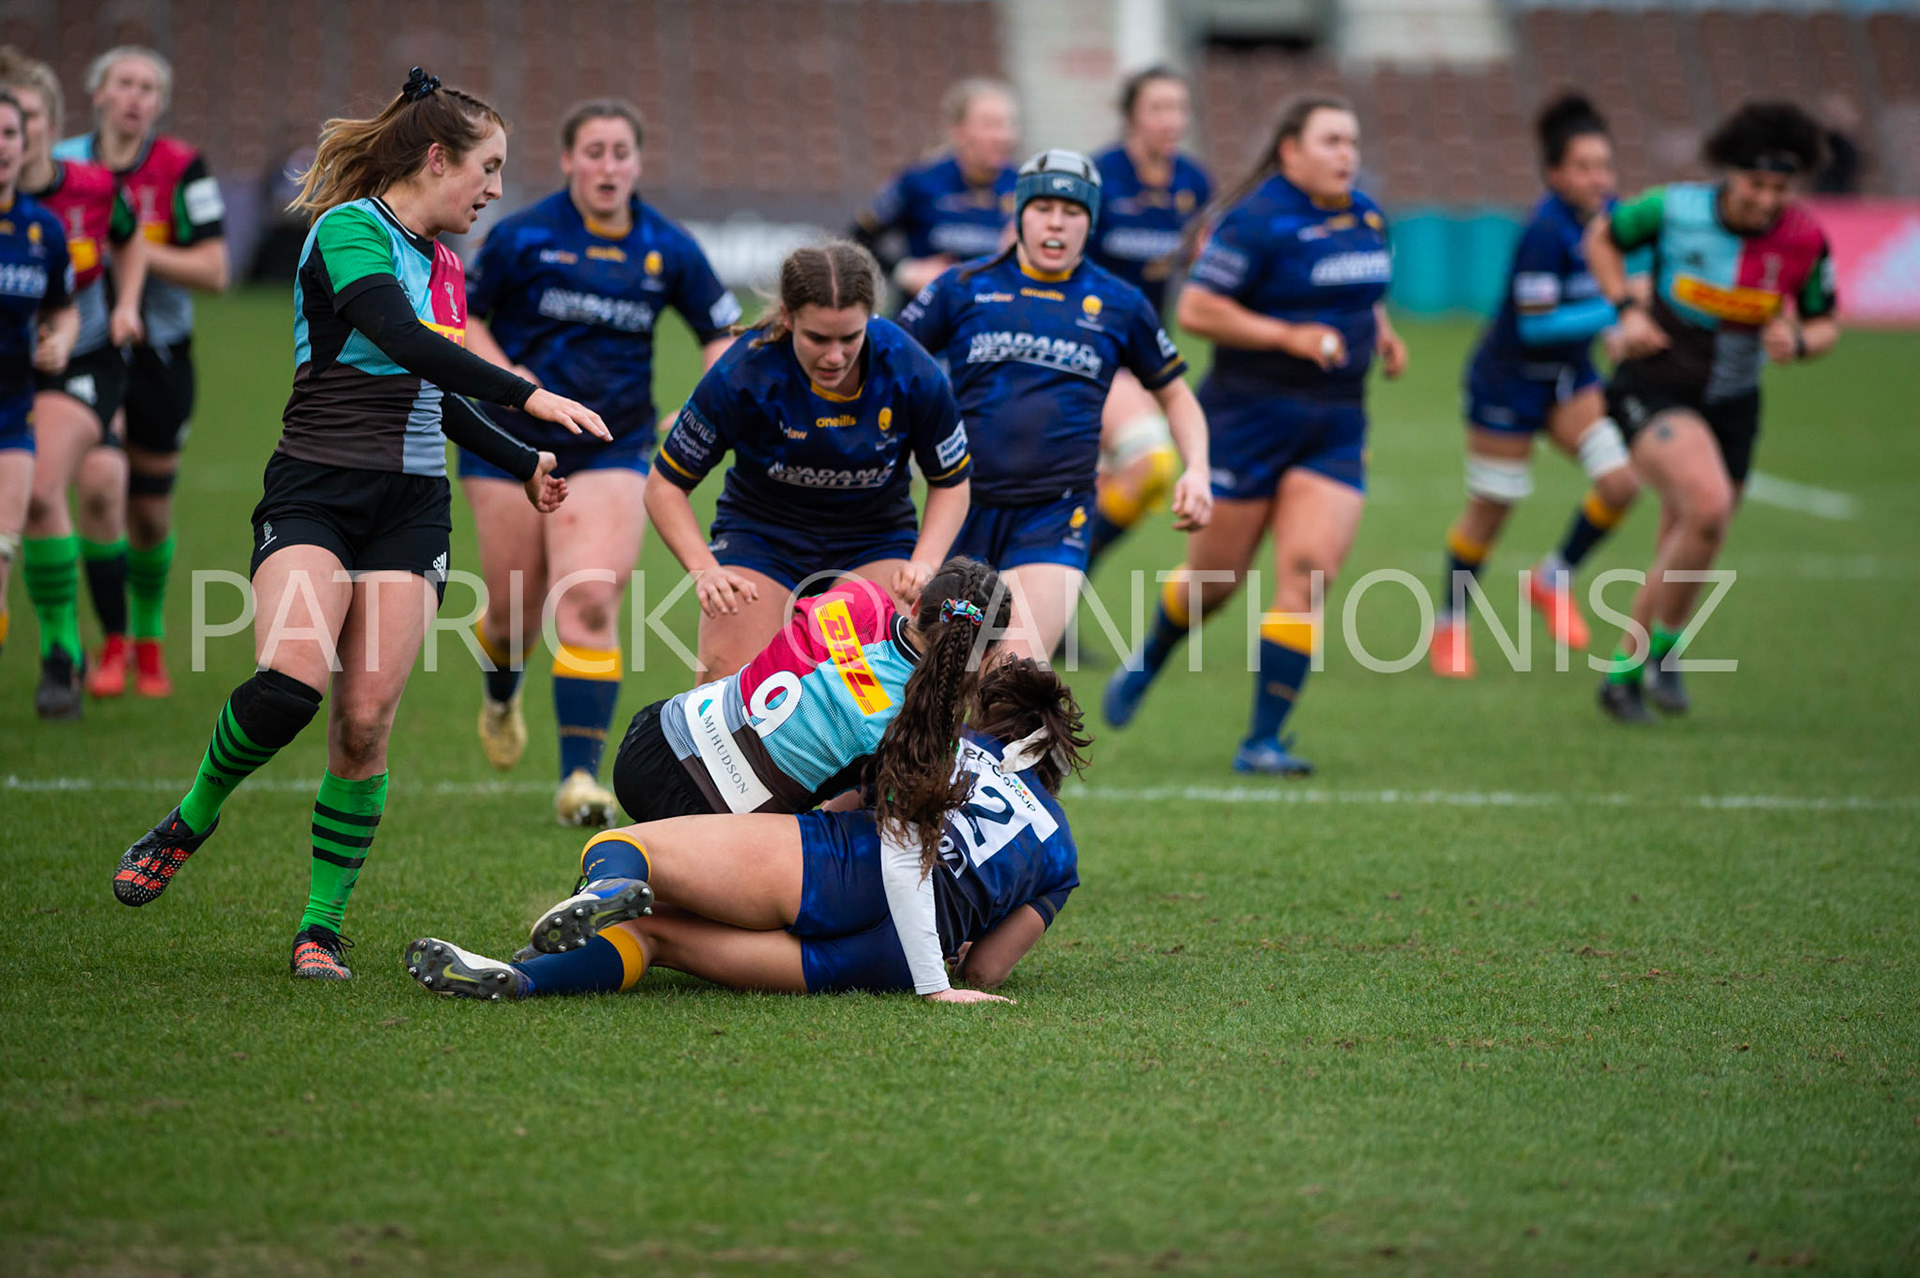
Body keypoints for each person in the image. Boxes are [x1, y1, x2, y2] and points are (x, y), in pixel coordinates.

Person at [109, 68, 609, 983]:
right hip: (315, 492)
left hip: (412, 509)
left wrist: (520, 458)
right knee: (289, 685)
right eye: (487, 169)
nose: (494, 190)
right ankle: (193, 812)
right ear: (436, 160)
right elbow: (400, 338)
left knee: (365, 723)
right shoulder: (347, 232)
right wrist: (531, 394)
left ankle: (320, 928)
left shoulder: (449, 266)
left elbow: (434, 391)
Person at [403, 656, 1085, 1002]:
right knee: (661, 938)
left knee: (634, 850)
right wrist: (953, 964)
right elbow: (992, 966)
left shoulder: (952, 740)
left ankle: (599, 894)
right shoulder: (1061, 849)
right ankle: (522, 982)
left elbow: (849, 804)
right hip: (896, 959)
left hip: (839, 871)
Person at [1104, 96, 1407, 776]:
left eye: (1351, 141)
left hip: (1335, 422)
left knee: (1309, 573)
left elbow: (1361, 290)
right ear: (1291, 149)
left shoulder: (1366, 214)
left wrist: (1381, 331)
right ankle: (1151, 656)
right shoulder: (1254, 221)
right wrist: (1289, 336)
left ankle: (1261, 741)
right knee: (1215, 582)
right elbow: (1198, 308)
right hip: (1247, 420)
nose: (1346, 154)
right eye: (1330, 140)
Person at [460, 98, 741, 827]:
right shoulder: (522, 237)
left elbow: (722, 331)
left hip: (614, 447)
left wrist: (706, 402)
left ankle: (579, 778)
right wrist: (514, 388)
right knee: (513, 612)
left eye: (621, 152)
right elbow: (466, 316)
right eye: (594, 152)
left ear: (638, 164)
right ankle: (500, 692)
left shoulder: (666, 246)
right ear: (567, 161)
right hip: (510, 443)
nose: (608, 166)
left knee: (587, 597)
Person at [898, 148, 1211, 663]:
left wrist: (1197, 469)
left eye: (1073, 213)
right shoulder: (963, 288)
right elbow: (888, 364)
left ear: (1090, 224)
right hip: (958, 508)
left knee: (1009, 676)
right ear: (1020, 214)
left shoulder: (1120, 303)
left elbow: (1176, 395)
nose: (1057, 224)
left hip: (1054, 515)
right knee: (934, 676)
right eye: (1044, 209)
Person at [1588, 101, 1839, 722]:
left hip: (1734, 399)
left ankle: (1664, 653)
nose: (1766, 200)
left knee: (1699, 533)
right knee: (1708, 505)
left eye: (1780, 188)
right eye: (1756, 184)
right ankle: (1622, 672)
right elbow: (1602, 239)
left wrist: (1801, 343)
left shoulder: (1804, 239)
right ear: (1730, 173)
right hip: (1655, 384)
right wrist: (1626, 308)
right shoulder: (1672, 209)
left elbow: (1825, 318)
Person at [645, 240, 971, 680]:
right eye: (817, 338)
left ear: (870, 319)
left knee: (874, 690)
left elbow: (951, 481)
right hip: (762, 540)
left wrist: (925, 562)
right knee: (728, 686)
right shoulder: (742, 372)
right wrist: (704, 570)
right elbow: (663, 486)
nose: (834, 356)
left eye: (850, 337)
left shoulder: (912, 369)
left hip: (873, 541)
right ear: (787, 317)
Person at [1431, 93, 1640, 678]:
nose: (1599, 179)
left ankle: (1553, 580)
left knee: (1621, 483)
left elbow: (1640, 275)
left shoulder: (1617, 220)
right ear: (1555, 174)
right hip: (1508, 383)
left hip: (1570, 380)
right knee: (1493, 509)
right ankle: (1449, 627)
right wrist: (1618, 314)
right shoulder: (1545, 230)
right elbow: (1537, 324)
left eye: (1605, 166)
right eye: (1584, 167)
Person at [56, 46, 229, 698]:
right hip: (82, 352)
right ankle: (112, 642)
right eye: (124, 83)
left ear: (159, 103)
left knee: (150, 515)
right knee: (101, 486)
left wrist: (127, 246)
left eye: (149, 88)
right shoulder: (63, 164)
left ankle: (150, 641)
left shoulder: (182, 167)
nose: (136, 97)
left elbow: (215, 271)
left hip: (161, 352)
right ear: (98, 92)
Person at [602, 557, 1008, 825]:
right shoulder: (926, 723)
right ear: (985, 653)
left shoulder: (860, 595)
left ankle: (621, 873)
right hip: (714, 821)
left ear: (917, 604)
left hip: (653, 741)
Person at [0, 49, 145, 716]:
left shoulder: (86, 188)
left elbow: (129, 239)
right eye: (9, 120)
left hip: (82, 362)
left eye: (26, 119)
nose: (16, 133)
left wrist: (123, 306)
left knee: (43, 487)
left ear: (48, 124)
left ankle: (61, 649)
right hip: (14, 368)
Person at [1084, 66, 1214, 574]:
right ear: (1131, 115)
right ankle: (1060, 576)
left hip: (1146, 352)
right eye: (1158, 108)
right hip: (1090, 350)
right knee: (1154, 464)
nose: (1171, 120)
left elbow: (1208, 262)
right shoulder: (1098, 176)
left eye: (1179, 108)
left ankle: (1052, 594)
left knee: (1090, 487)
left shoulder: (1195, 181)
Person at [0, 90, 77, 667]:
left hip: (12, 409)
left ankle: (59, 655)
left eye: (10, 133)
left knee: (2, 555)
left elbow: (62, 306)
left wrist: (61, 340)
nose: (2, 145)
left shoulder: (42, 230)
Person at [851, 79, 1018, 301]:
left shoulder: (1025, 187)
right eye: (989, 125)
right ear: (957, 131)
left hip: (994, 323)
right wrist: (905, 271)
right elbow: (857, 239)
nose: (1003, 136)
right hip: (927, 324)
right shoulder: (919, 181)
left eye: (1007, 124)